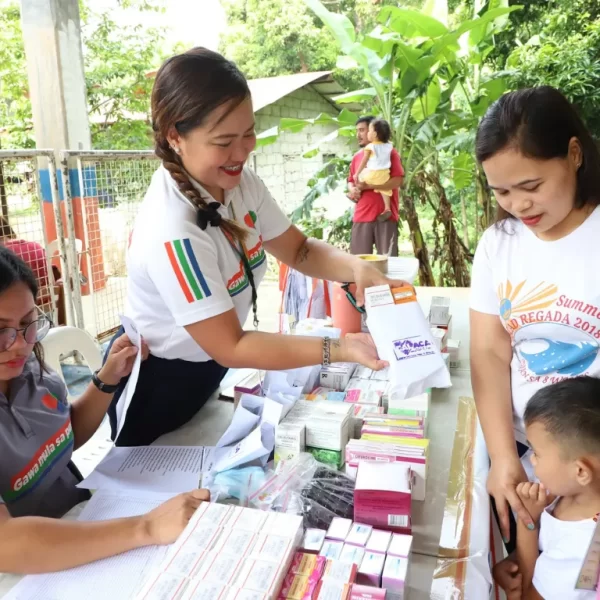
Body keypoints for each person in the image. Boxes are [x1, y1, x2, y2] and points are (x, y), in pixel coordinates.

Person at [109, 47, 407, 447]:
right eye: (224, 141)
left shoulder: (239, 184)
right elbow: (231, 345)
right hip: (160, 387)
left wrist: (355, 269)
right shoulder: (171, 229)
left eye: (248, 133)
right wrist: (339, 347)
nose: (242, 151)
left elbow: (299, 250)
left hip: (210, 370)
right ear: (175, 137)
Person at [0, 246, 210, 574]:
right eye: (1, 331)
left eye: (28, 324)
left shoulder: (29, 369)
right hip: (29, 569)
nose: (19, 344)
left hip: (83, 522)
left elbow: (61, 438)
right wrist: (147, 527)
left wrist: (107, 379)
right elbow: (7, 544)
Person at [470, 85, 600, 556]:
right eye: (501, 191)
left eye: (531, 187)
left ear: (573, 153)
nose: (518, 205)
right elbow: (489, 351)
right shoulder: (498, 245)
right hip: (527, 457)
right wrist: (505, 457)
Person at [496, 377, 600, 600]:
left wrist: (528, 523)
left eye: (536, 453)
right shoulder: (570, 493)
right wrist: (512, 562)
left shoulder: (585, 553)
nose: (531, 460)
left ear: (581, 471)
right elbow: (547, 546)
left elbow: (526, 596)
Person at [347, 116, 404, 257]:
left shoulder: (390, 152)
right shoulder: (357, 157)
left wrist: (367, 186)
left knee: (388, 263)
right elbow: (350, 180)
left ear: (374, 131)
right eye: (357, 131)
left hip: (384, 216)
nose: (358, 134)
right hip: (361, 215)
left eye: (362, 130)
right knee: (359, 263)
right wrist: (352, 189)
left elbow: (398, 181)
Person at [353, 118, 394, 222]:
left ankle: (356, 192)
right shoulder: (389, 146)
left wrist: (357, 174)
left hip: (374, 174)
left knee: (362, 175)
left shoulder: (370, 147)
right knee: (385, 191)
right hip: (384, 174)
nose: (358, 135)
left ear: (375, 134)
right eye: (357, 131)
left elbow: (364, 161)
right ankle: (387, 208)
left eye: (366, 131)